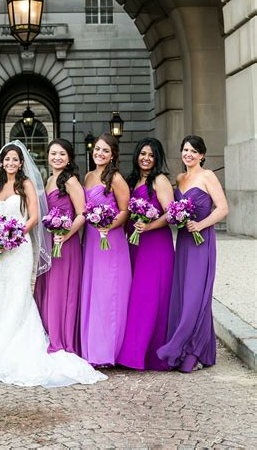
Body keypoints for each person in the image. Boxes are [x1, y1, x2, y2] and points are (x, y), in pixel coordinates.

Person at [0, 141, 107, 387]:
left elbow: (34, 217)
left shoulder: (27, 184)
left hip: (19, 246)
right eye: (7, 159)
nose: (11, 163)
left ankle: (19, 345)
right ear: (1, 162)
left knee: (19, 294)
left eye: (16, 159)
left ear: (22, 162)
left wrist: (13, 236)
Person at [158, 135, 228, 372]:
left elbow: (223, 208)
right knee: (184, 294)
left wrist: (201, 225)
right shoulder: (179, 178)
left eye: (194, 151)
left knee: (196, 297)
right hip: (185, 242)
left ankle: (191, 351)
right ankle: (199, 349)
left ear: (202, 155)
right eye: (185, 150)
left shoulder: (207, 176)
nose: (188, 154)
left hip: (202, 241)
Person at [117, 138, 174, 371]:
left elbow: (171, 214)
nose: (146, 158)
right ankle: (131, 351)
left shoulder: (159, 180)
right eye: (142, 154)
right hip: (134, 242)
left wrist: (149, 226)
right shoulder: (132, 180)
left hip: (155, 244)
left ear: (157, 158)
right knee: (135, 295)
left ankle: (148, 353)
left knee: (149, 296)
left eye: (151, 155)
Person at [80, 134, 131, 366]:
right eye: (97, 149)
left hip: (110, 239)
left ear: (112, 155)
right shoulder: (89, 176)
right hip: (92, 239)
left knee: (108, 289)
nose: (99, 153)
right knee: (93, 288)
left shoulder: (117, 178)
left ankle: (107, 350)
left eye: (105, 151)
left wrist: (106, 226)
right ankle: (91, 346)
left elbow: (125, 211)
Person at [34, 139, 83, 354]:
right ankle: (50, 333)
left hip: (66, 245)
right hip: (51, 245)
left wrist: (65, 235)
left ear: (69, 157)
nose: (57, 157)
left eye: (62, 154)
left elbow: (83, 213)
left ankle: (62, 339)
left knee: (62, 291)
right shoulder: (49, 180)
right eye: (53, 153)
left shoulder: (70, 180)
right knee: (50, 289)